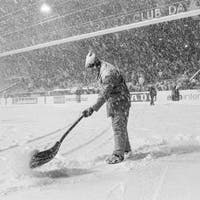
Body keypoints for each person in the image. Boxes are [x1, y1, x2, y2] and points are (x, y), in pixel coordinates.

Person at [82, 50, 132, 164]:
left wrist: (92, 108)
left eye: (90, 68)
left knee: (118, 126)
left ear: (94, 65)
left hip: (120, 101)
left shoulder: (108, 73)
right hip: (117, 101)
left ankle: (118, 154)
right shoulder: (102, 68)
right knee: (121, 126)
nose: (90, 72)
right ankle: (126, 149)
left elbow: (104, 93)